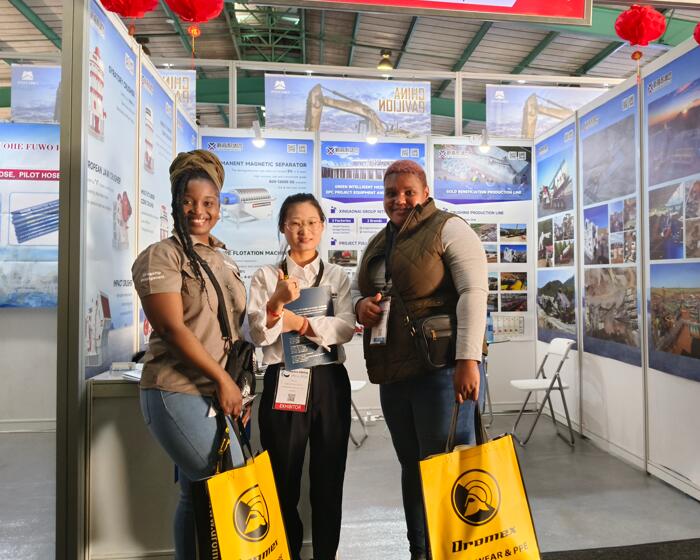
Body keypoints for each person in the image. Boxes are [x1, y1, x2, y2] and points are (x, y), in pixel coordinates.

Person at [352, 160, 488, 560]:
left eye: (408, 192)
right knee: (412, 467)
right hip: (395, 372)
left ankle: (457, 552)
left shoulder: (449, 228)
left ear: (425, 192)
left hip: (442, 371)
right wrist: (360, 305)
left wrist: (468, 360)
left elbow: (473, 293)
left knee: (448, 467)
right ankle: (420, 552)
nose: (399, 200)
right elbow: (362, 290)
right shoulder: (379, 241)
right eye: (391, 193)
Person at [131, 149, 247, 559]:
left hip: (216, 389)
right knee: (222, 477)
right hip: (178, 388)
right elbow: (170, 328)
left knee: (197, 491)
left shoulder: (219, 256)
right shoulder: (163, 255)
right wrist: (223, 380)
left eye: (208, 202)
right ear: (175, 203)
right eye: (188, 201)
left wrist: (237, 386)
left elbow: (231, 327)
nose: (199, 211)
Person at [248, 193, 355, 560]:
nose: (303, 231)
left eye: (311, 223)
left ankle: (326, 555)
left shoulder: (337, 275)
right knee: (282, 477)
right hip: (285, 379)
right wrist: (276, 303)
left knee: (329, 478)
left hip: (328, 381)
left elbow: (345, 327)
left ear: (322, 226)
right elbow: (258, 334)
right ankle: (286, 553)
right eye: (295, 223)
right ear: (283, 228)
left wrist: (301, 324)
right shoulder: (266, 276)